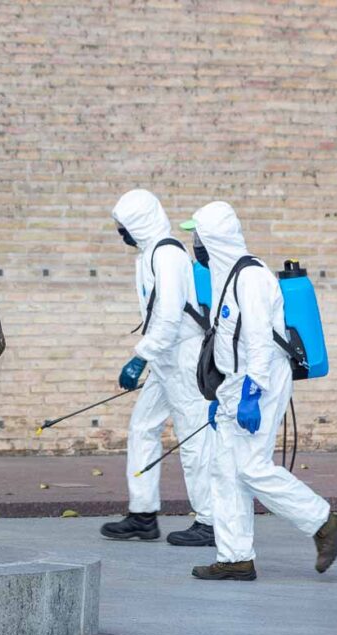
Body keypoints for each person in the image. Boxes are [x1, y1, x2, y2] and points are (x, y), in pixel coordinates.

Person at [186, 201, 337, 580]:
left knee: (251, 468)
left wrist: (251, 394)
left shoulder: (252, 277)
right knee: (223, 471)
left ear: (215, 238)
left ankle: (324, 522)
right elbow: (229, 342)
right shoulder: (226, 278)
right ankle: (235, 557)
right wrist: (225, 393)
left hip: (260, 382)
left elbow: (258, 341)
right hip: (236, 386)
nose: (195, 245)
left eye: (198, 237)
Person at [100, 189, 216, 546]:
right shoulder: (150, 253)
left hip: (182, 358)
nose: (121, 233)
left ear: (140, 224)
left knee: (194, 437)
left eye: (124, 226)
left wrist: (140, 356)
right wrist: (150, 355)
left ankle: (210, 520)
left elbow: (168, 314)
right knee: (142, 427)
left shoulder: (167, 254)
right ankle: (143, 514)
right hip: (165, 359)